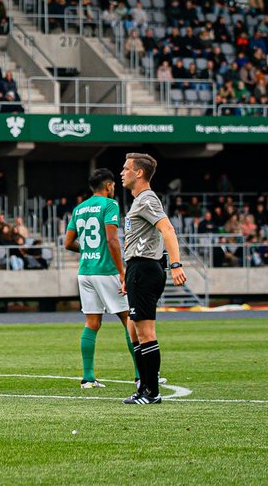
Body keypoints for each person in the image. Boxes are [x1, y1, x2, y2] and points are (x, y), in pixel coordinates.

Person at [119, 152, 186, 405]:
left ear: (139, 173)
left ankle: (152, 392)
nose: (122, 173)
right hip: (138, 268)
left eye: (126, 168)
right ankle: (143, 387)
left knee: (145, 333)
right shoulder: (140, 201)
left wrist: (176, 264)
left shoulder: (147, 199)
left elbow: (167, 229)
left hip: (145, 268)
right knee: (133, 329)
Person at [64, 168, 135, 389]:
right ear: (108, 185)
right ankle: (141, 375)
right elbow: (112, 240)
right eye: (113, 185)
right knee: (129, 319)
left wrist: (87, 250)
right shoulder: (110, 204)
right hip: (106, 271)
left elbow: (68, 243)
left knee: (92, 323)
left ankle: (88, 378)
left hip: (85, 272)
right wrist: (122, 271)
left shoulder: (79, 208)